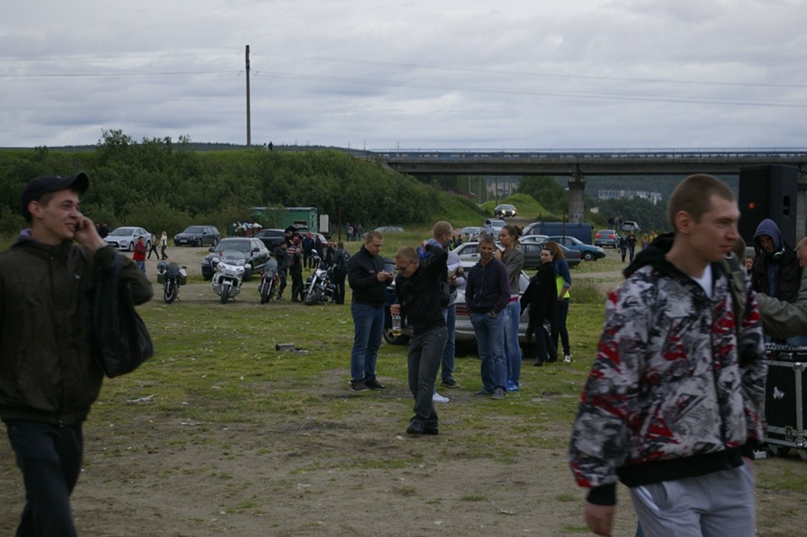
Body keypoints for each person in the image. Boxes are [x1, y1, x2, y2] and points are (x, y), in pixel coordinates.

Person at [569, 174, 767, 537]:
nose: (734, 235)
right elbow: (610, 387)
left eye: (735, 223)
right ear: (685, 223)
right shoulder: (639, 296)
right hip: (663, 476)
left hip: (728, 469)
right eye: (722, 222)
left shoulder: (734, 285)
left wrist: (750, 441)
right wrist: (600, 485)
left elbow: (753, 360)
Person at [1, 172, 153, 537]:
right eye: (65, 205)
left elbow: (141, 291)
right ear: (36, 209)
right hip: (27, 413)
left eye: (77, 207)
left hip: (74, 412)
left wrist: (98, 245)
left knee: (42, 511)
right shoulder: (8, 269)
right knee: (57, 521)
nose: (75, 214)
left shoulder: (85, 264)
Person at [391, 244, 448, 434]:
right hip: (417, 331)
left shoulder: (428, 274)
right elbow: (402, 301)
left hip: (435, 329)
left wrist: (429, 245)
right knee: (413, 381)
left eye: (403, 267)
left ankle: (420, 418)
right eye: (398, 268)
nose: (400, 271)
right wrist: (397, 307)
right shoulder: (401, 281)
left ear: (415, 263)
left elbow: (442, 256)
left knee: (426, 378)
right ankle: (431, 421)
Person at [347, 230, 394, 391]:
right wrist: (375, 278)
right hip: (363, 306)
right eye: (376, 246)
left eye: (380, 246)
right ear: (367, 243)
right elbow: (354, 283)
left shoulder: (379, 260)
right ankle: (357, 379)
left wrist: (388, 279)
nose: (378, 249)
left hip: (379, 306)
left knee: (374, 345)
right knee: (361, 344)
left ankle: (370, 376)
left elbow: (381, 284)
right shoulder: (356, 261)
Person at [465, 232, 510, 400]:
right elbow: (469, 292)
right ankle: (488, 386)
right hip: (477, 315)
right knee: (484, 354)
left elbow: (505, 293)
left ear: (493, 249)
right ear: (479, 248)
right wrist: (470, 311)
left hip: (493, 316)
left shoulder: (499, 268)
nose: (485, 251)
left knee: (498, 353)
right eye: (483, 248)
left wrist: (495, 311)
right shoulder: (475, 270)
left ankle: (500, 387)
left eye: (489, 249)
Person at [417, 221, 454, 403]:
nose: (452, 238)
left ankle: (426, 387)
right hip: (436, 303)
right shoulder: (432, 250)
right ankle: (430, 390)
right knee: (434, 348)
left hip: (430, 302)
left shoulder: (425, 250)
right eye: (451, 235)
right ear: (444, 236)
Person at [497, 224, 524, 392]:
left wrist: (499, 261)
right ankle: (504, 376)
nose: (501, 238)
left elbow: (505, 274)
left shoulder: (518, 255)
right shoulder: (501, 253)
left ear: (512, 238)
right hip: (500, 301)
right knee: (503, 344)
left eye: (504, 235)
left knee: (512, 343)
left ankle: (514, 379)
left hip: (511, 301)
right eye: (500, 235)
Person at [520, 246, 558, 367]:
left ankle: (542, 355)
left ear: (552, 256)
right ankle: (552, 352)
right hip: (540, 304)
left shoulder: (548, 269)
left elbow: (543, 291)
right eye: (542, 255)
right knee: (540, 327)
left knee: (538, 328)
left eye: (546, 255)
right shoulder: (544, 269)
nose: (543, 257)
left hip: (542, 305)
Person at [544, 240, 572, 362]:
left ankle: (567, 352)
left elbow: (567, 281)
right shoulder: (548, 264)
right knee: (553, 326)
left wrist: (560, 295)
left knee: (561, 326)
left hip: (562, 298)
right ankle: (553, 352)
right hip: (551, 299)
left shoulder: (561, 262)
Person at [289, 237, 304, 302]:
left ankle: (299, 297)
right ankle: (295, 297)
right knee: (299, 283)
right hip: (297, 268)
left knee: (294, 283)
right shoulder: (297, 249)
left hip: (291, 268)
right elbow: (296, 255)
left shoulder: (290, 248)